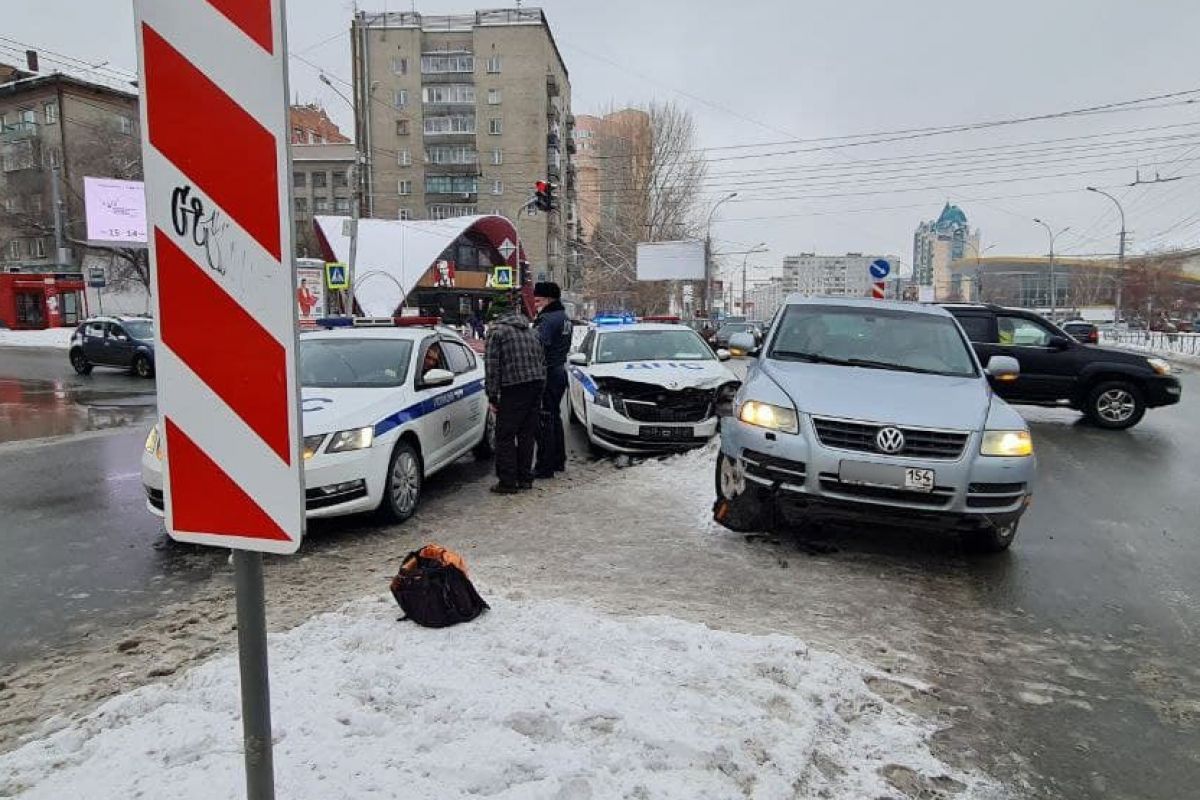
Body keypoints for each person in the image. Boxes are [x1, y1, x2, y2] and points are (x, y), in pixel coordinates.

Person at [484, 302, 545, 494]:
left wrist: (492, 395)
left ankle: (507, 482)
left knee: (505, 435)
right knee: (527, 434)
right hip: (535, 385)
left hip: (513, 388)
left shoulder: (498, 332)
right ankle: (525, 478)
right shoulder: (531, 332)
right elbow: (542, 361)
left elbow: (492, 366)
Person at [532, 282, 572, 479]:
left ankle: (545, 466)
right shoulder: (564, 317)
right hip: (559, 372)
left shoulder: (546, 319)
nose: (535, 303)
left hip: (547, 372)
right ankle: (558, 460)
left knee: (544, 420)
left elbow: (538, 346)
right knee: (554, 417)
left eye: (538, 300)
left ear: (549, 299)